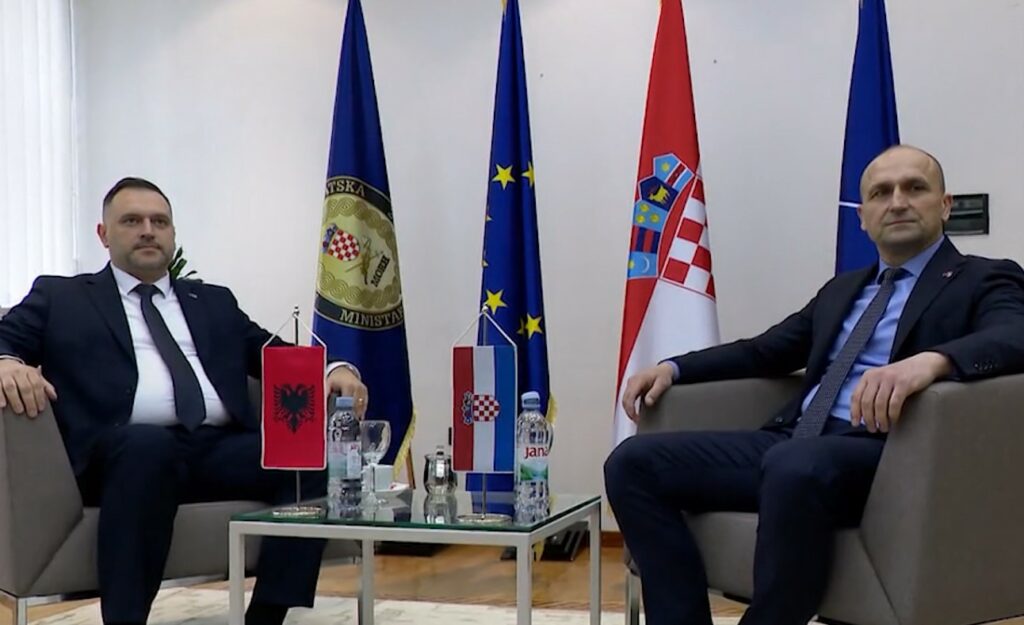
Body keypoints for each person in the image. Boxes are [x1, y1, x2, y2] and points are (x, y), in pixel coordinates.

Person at [604, 145, 1024, 625]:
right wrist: (675, 368)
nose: (897, 202)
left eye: (915, 188)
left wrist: (933, 362)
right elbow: (764, 351)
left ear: (944, 205)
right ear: (863, 218)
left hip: (888, 452)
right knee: (631, 463)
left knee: (794, 463)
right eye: (881, 193)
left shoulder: (983, 278)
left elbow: (1015, 334)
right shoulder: (843, 289)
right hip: (793, 443)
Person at [0, 177, 368, 625]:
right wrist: (6, 362)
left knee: (308, 455)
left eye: (159, 222)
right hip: (120, 453)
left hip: (215, 449)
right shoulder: (63, 297)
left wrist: (333, 370)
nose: (148, 231)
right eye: (132, 221)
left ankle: (268, 613)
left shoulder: (212, 301)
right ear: (103, 234)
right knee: (147, 446)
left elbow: (273, 352)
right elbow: (5, 338)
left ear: (173, 234)